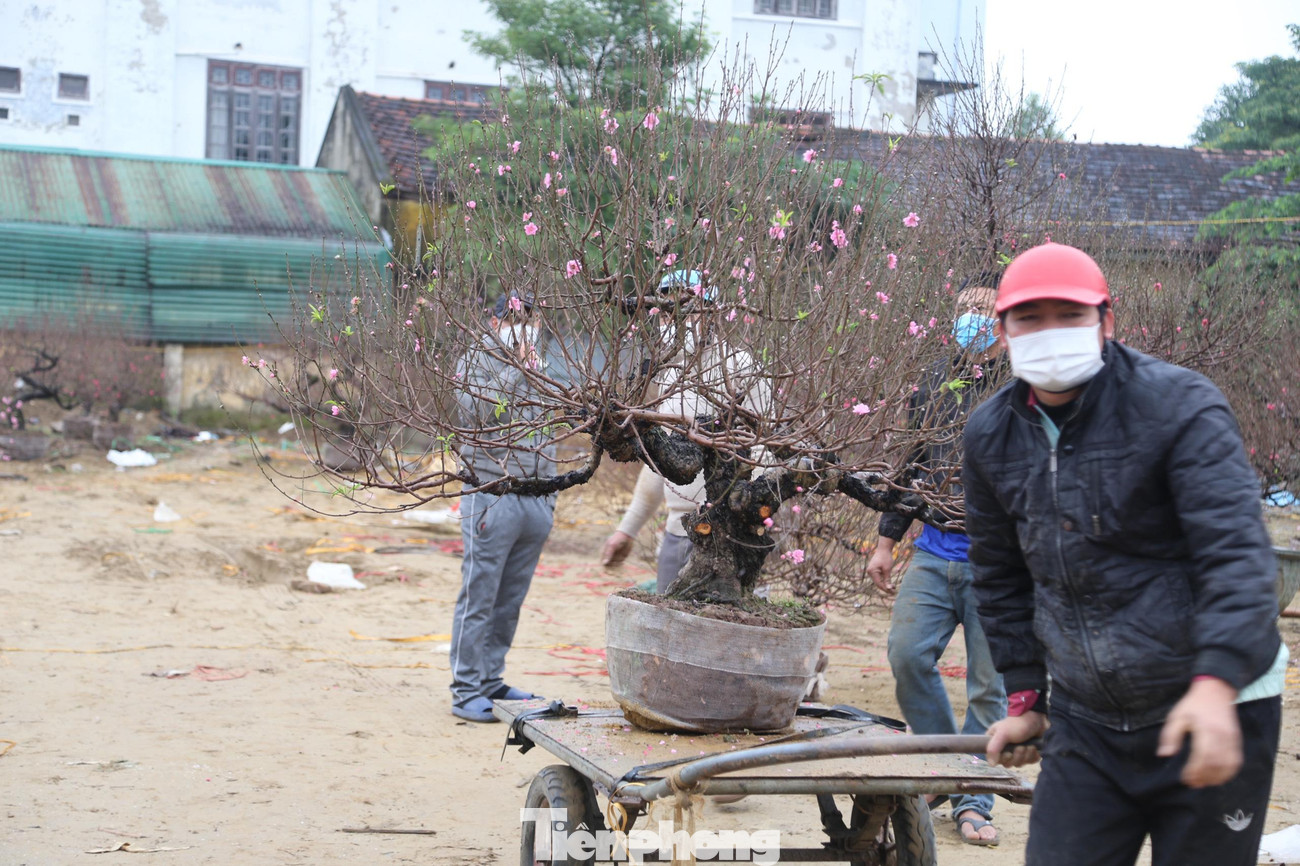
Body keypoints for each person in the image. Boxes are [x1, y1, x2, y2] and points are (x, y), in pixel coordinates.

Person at [964, 242, 1285, 866]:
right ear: (1001, 332)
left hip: (1212, 704)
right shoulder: (990, 435)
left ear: (1106, 322)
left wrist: (1216, 683)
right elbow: (1000, 575)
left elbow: (1237, 557)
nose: (1050, 331)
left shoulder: (1180, 408)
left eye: (1070, 314)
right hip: (1088, 720)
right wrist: (1027, 697)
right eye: (1030, 318)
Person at [867, 278, 1008, 847]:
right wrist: (886, 540)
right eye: (963, 311)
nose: (970, 321)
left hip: (998, 565)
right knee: (906, 656)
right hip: (933, 551)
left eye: (981, 312)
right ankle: (945, 766)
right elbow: (910, 463)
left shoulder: (1024, 386)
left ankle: (974, 799)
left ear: (1003, 322)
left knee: (988, 686)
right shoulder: (936, 379)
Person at [601, 269, 770, 593]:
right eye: (665, 313)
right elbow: (665, 463)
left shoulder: (740, 367)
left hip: (731, 539)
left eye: (688, 310)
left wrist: (741, 513)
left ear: (713, 314)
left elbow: (767, 450)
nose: (676, 321)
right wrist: (629, 528)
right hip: (677, 535)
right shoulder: (669, 377)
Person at [449, 291, 556, 723]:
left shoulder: (545, 364)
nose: (523, 325)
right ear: (493, 322)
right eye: (513, 318)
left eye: (529, 317)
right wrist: (517, 370)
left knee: (510, 599)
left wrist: (550, 494)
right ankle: (465, 688)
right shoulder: (473, 362)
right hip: (491, 495)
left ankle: (492, 679)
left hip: (535, 495)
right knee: (480, 594)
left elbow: (554, 426)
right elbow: (476, 412)